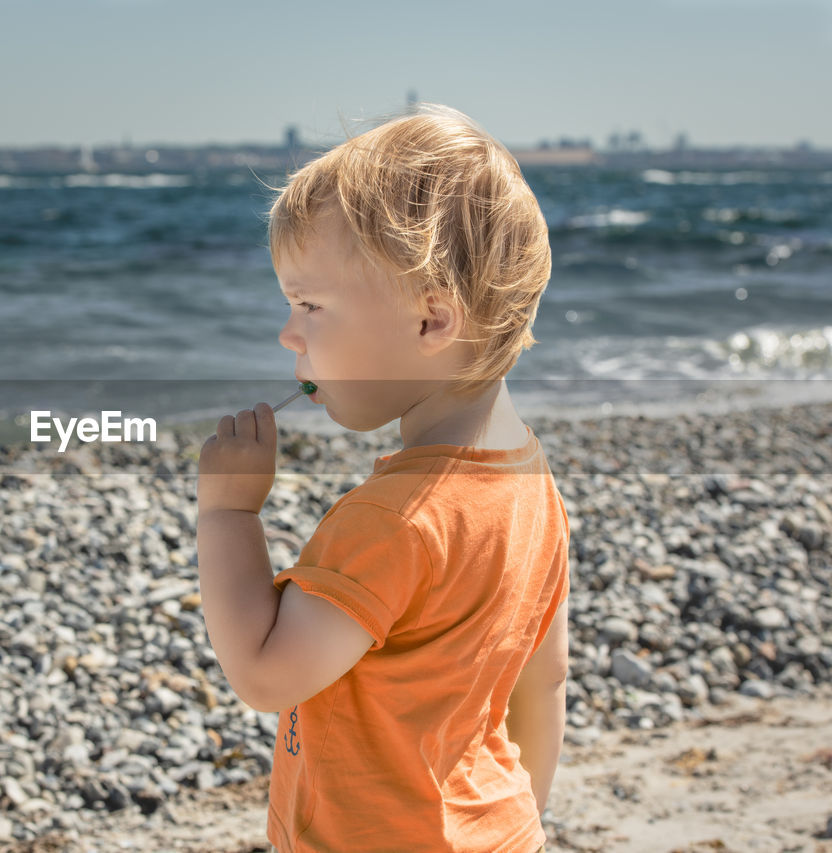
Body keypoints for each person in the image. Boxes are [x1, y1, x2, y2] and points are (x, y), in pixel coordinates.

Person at [196, 104, 570, 852]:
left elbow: (268, 673)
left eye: (309, 304)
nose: (287, 331)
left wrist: (228, 516)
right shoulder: (532, 482)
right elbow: (545, 678)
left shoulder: (392, 520)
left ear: (432, 322)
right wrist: (510, 821)